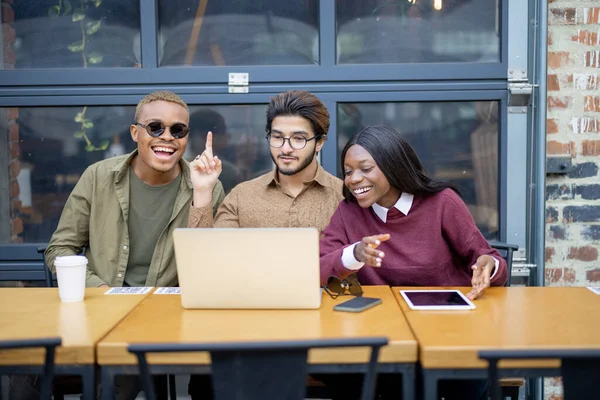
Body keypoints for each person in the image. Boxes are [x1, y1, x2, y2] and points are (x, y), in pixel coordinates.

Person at [32, 90, 224, 400]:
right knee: (28, 370)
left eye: (178, 130)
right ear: (135, 132)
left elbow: (206, 272)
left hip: (162, 320)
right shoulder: (98, 177)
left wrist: (201, 195)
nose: (167, 137)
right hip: (96, 310)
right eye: (155, 127)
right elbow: (60, 249)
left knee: (119, 377)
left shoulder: (205, 185)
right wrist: (103, 291)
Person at [319, 124, 507, 400]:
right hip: (382, 338)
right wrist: (354, 254)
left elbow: (489, 259)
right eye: (348, 172)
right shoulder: (348, 212)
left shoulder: (442, 203)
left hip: (448, 335)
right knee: (338, 370)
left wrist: (488, 266)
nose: (353, 179)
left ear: (393, 165)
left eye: (365, 168)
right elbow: (319, 269)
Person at [186, 90, 344, 399]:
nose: (286, 148)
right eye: (277, 137)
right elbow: (206, 262)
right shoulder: (243, 196)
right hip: (250, 326)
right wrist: (203, 192)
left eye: (298, 138)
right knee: (205, 378)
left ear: (320, 142)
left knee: (364, 375)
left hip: (326, 327)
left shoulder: (345, 197)